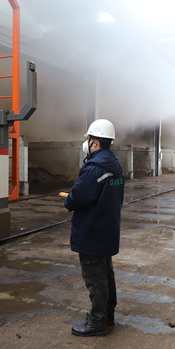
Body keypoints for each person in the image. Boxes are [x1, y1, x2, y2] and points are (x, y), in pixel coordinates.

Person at [64, 119, 125, 337]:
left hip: (92, 231)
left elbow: (77, 197)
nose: (87, 142)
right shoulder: (114, 165)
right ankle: (107, 315)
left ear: (95, 142)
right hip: (107, 229)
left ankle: (97, 321)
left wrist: (69, 199)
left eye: (88, 138)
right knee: (106, 274)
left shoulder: (94, 169)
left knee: (95, 279)